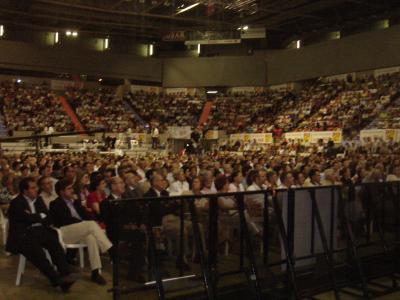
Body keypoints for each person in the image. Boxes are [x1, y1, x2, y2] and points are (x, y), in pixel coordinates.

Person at [6, 177, 76, 292]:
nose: (36, 189)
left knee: (55, 243)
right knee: (38, 253)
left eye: (36, 187)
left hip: (39, 230)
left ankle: (65, 274)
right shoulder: (16, 202)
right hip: (23, 235)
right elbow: (25, 219)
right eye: (33, 188)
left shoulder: (38, 200)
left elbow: (48, 218)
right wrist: (39, 216)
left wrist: (35, 217)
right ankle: (55, 279)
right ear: (25, 191)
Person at [49, 179, 113, 285]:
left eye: (71, 188)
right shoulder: (55, 204)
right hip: (64, 232)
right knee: (91, 224)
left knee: (91, 238)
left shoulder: (76, 202)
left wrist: (85, 217)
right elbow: (64, 220)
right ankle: (110, 250)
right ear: (61, 192)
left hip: (81, 229)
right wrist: (84, 222)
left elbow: (86, 215)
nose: (72, 190)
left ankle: (95, 272)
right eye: (68, 189)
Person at [101, 176, 146, 282]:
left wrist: (140, 223)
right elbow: (108, 221)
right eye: (119, 183)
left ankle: (139, 267)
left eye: (122, 183)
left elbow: (137, 213)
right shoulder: (106, 202)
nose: (122, 185)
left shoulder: (127, 199)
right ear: (112, 186)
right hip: (116, 231)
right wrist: (125, 225)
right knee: (137, 236)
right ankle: (134, 272)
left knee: (141, 234)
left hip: (131, 229)